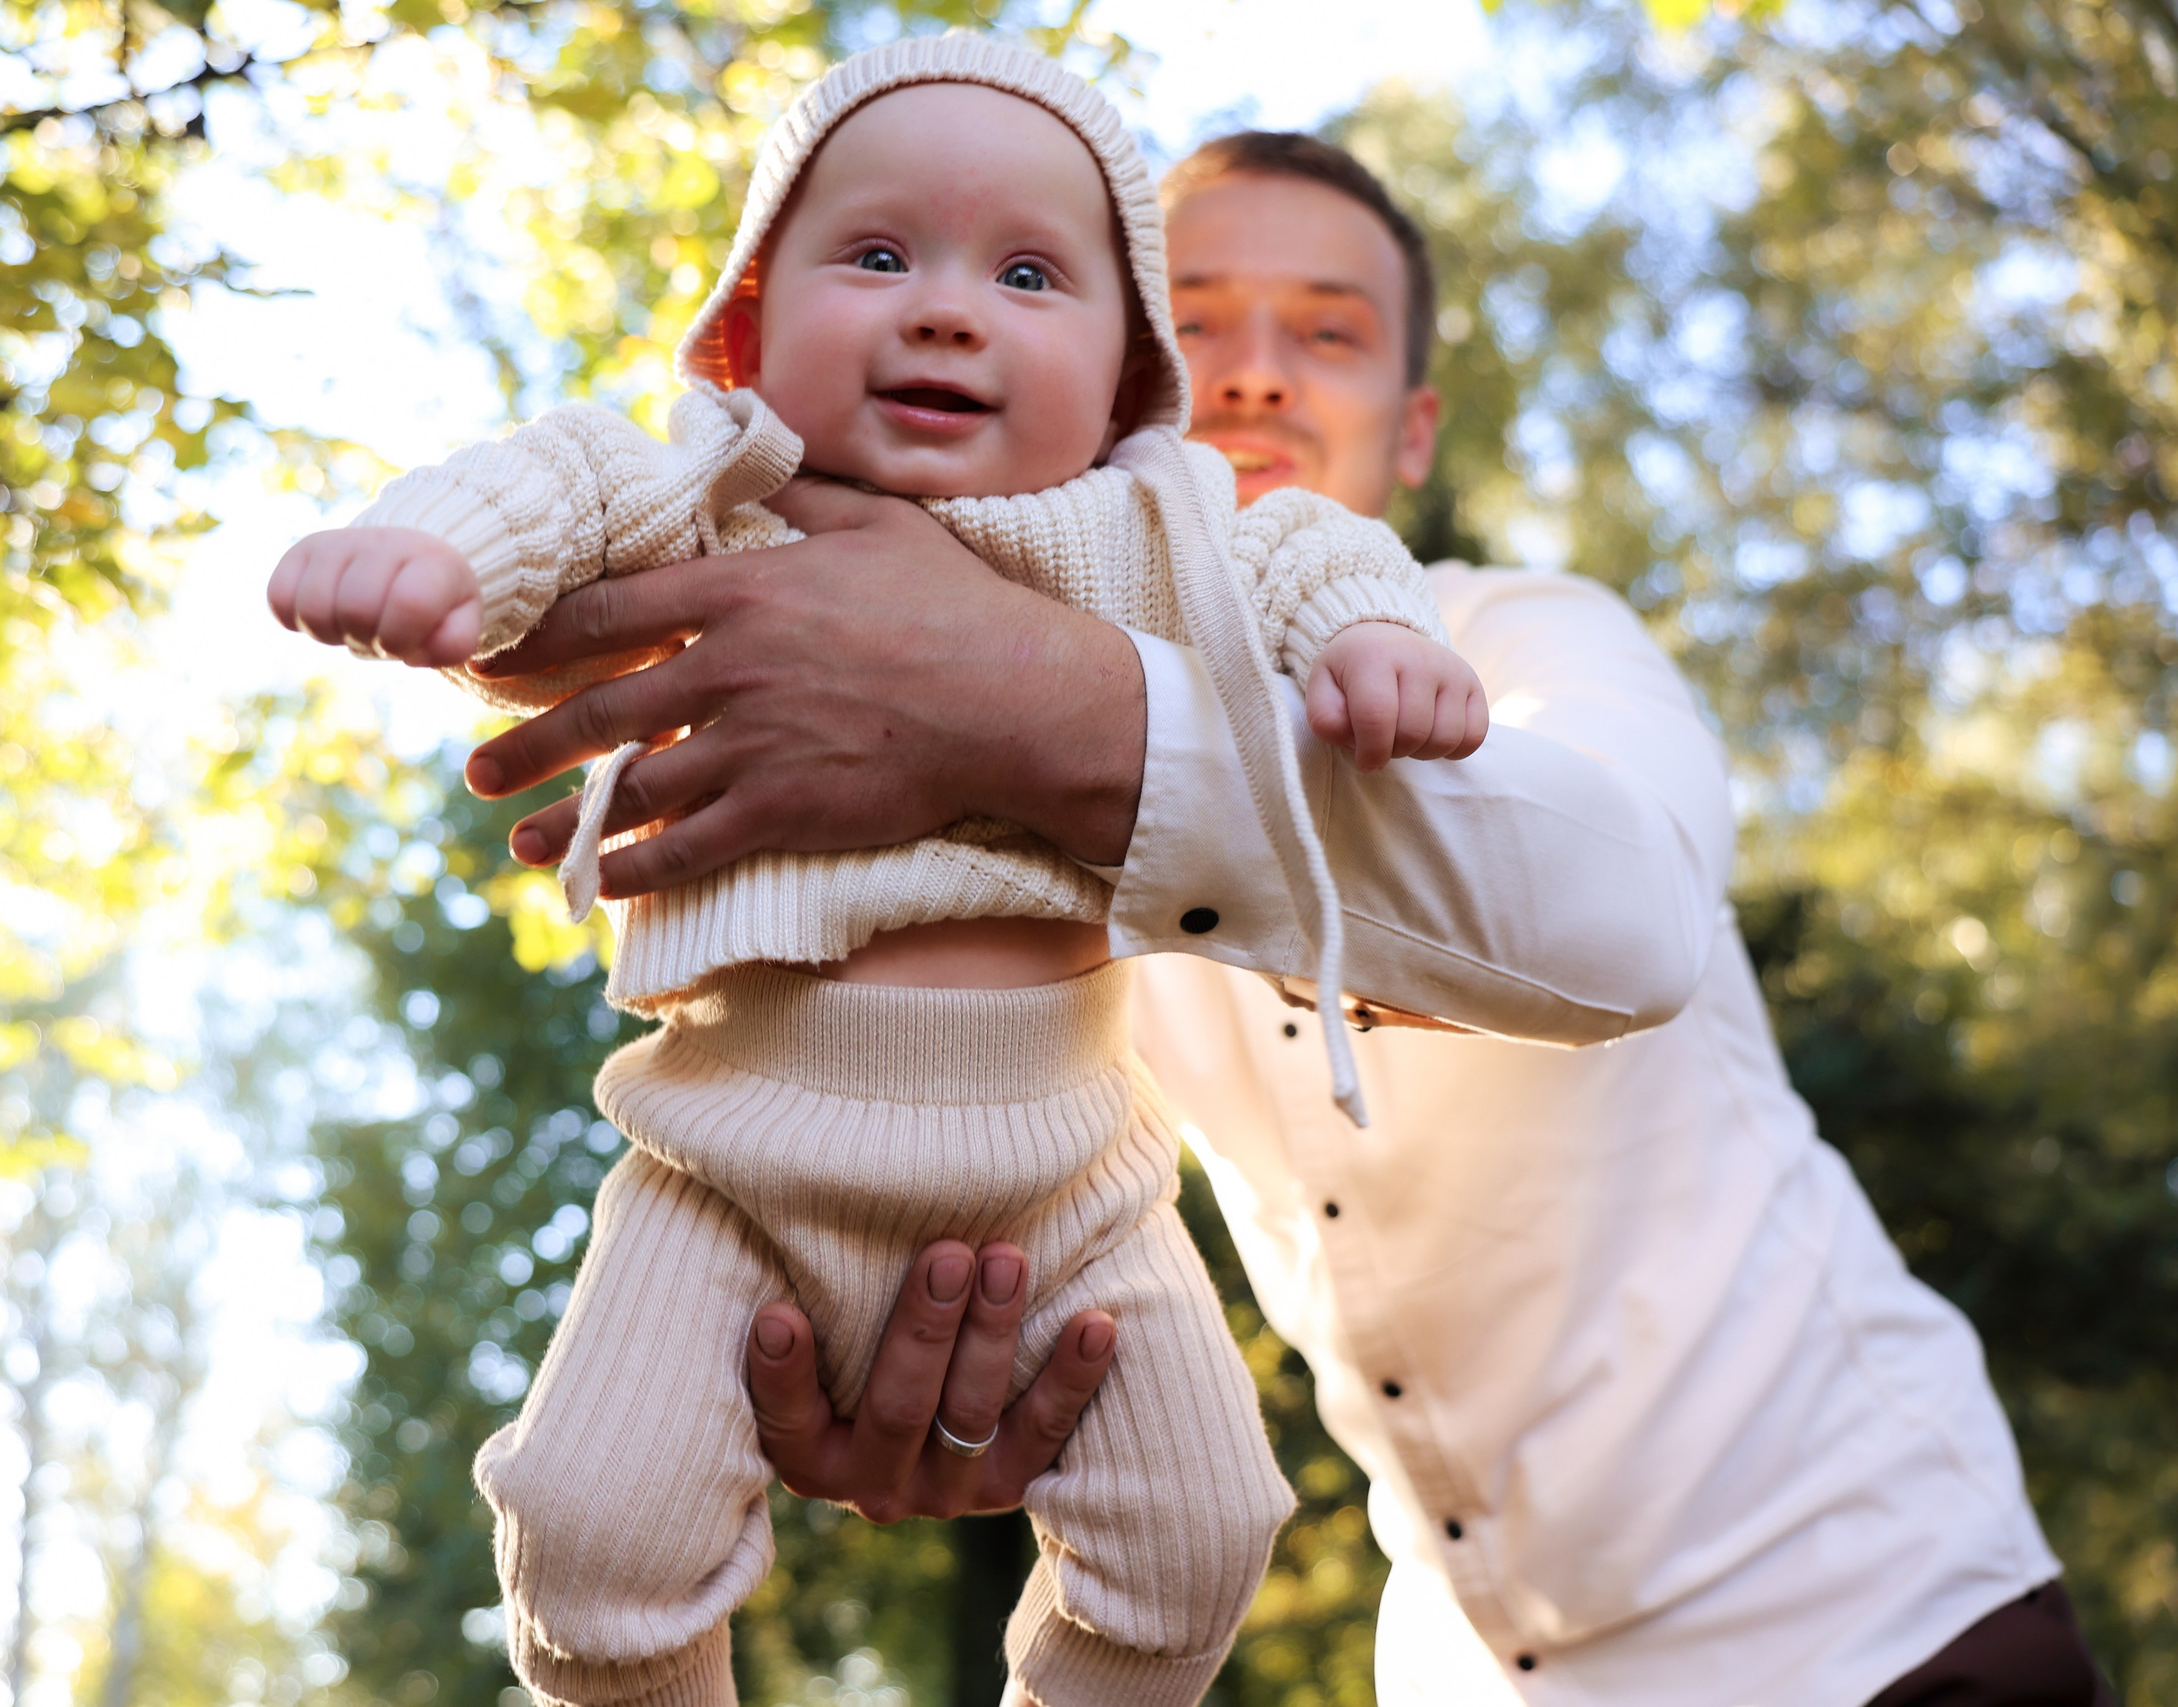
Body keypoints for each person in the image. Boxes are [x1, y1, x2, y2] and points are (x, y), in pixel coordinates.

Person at [459, 130, 2115, 1706]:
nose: (1254, 374)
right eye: (1196, 321)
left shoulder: (1519, 635)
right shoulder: (938, 791)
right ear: (1120, 381)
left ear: (1413, 432)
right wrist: (878, 1346)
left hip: (1871, 1611)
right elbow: (1001, 1160)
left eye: (1329, 332)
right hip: (1466, 1671)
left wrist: (1023, 698)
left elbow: (1632, 921)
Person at [268, 42, 1490, 1707]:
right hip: (729, 1164)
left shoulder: (1160, 532)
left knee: (1202, 1535)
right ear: (747, 328)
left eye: (1029, 276)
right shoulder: (720, 494)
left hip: (1069, 1182)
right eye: (877, 253)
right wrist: (434, 551)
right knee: (585, 1531)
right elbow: (555, 478)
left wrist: (1373, 640)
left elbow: (1313, 556)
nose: (947, 312)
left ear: (1128, 379)